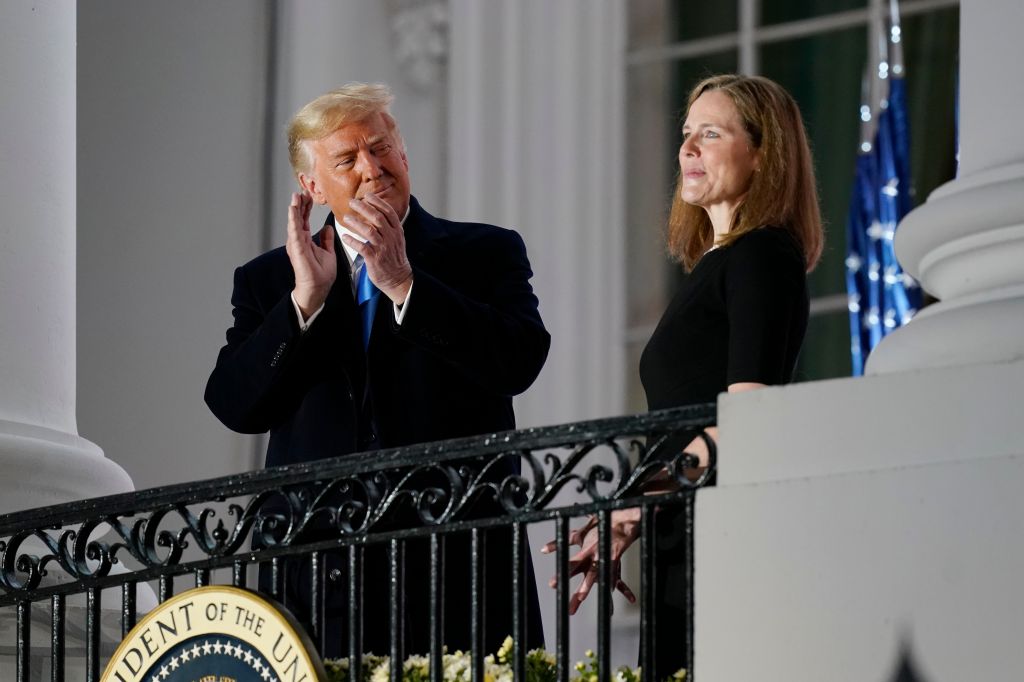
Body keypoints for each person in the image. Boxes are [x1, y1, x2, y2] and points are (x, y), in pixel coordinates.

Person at [205, 83, 549, 657]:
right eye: (347, 159)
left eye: (382, 147)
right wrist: (303, 306)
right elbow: (234, 405)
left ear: (404, 154)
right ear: (312, 187)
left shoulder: (484, 252)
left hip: (453, 558)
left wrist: (404, 285)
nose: (372, 167)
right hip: (319, 571)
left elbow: (518, 361)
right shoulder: (270, 280)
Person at [544, 74, 824, 677]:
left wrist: (632, 509)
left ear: (763, 153)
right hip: (686, 529)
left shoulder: (763, 255)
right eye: (686, 134)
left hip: (722, 533)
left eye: (711, 133)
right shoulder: (718, 264)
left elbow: (744, 418)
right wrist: (632, 516)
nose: (687, 149)